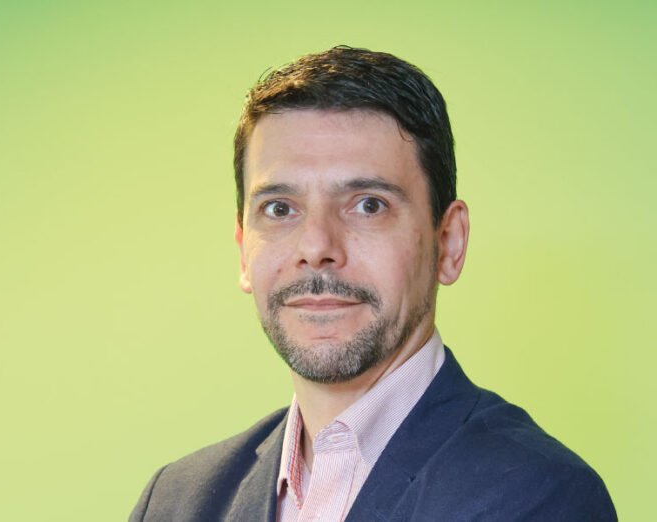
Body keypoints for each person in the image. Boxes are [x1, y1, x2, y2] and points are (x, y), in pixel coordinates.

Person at [129, 46, 617, 521]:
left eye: (368, 205)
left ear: (448, 242)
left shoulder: (542, 497)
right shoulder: (174, 502)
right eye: (279, 209)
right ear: (243, 250)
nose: (316, 246)